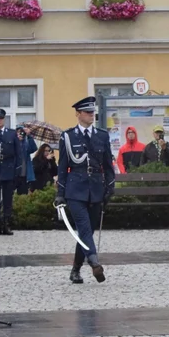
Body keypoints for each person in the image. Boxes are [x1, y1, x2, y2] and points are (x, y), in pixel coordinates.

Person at [54, 97, 115, 284]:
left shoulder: (102, 136)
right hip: (75, 189)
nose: (91, 115)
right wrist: (60, 193)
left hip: (96, 187)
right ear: (78, 114)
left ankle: (75, 270)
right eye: (88, 112)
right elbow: (63, 166)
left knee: (86, 231)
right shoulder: (68, 136)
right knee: (83, 226)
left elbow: (108, 164)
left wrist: (110, 186)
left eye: (92, 112)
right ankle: (94, 262)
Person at [16, 126, 37, 195]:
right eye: (18, 132)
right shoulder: (13, 143)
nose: (20, 134)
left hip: (24, 175)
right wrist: (17, 141)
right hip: (14, 174)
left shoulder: (26, 144)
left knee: (23, 194)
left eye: (22, 132)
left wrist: (29, 136)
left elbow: (33, 148)